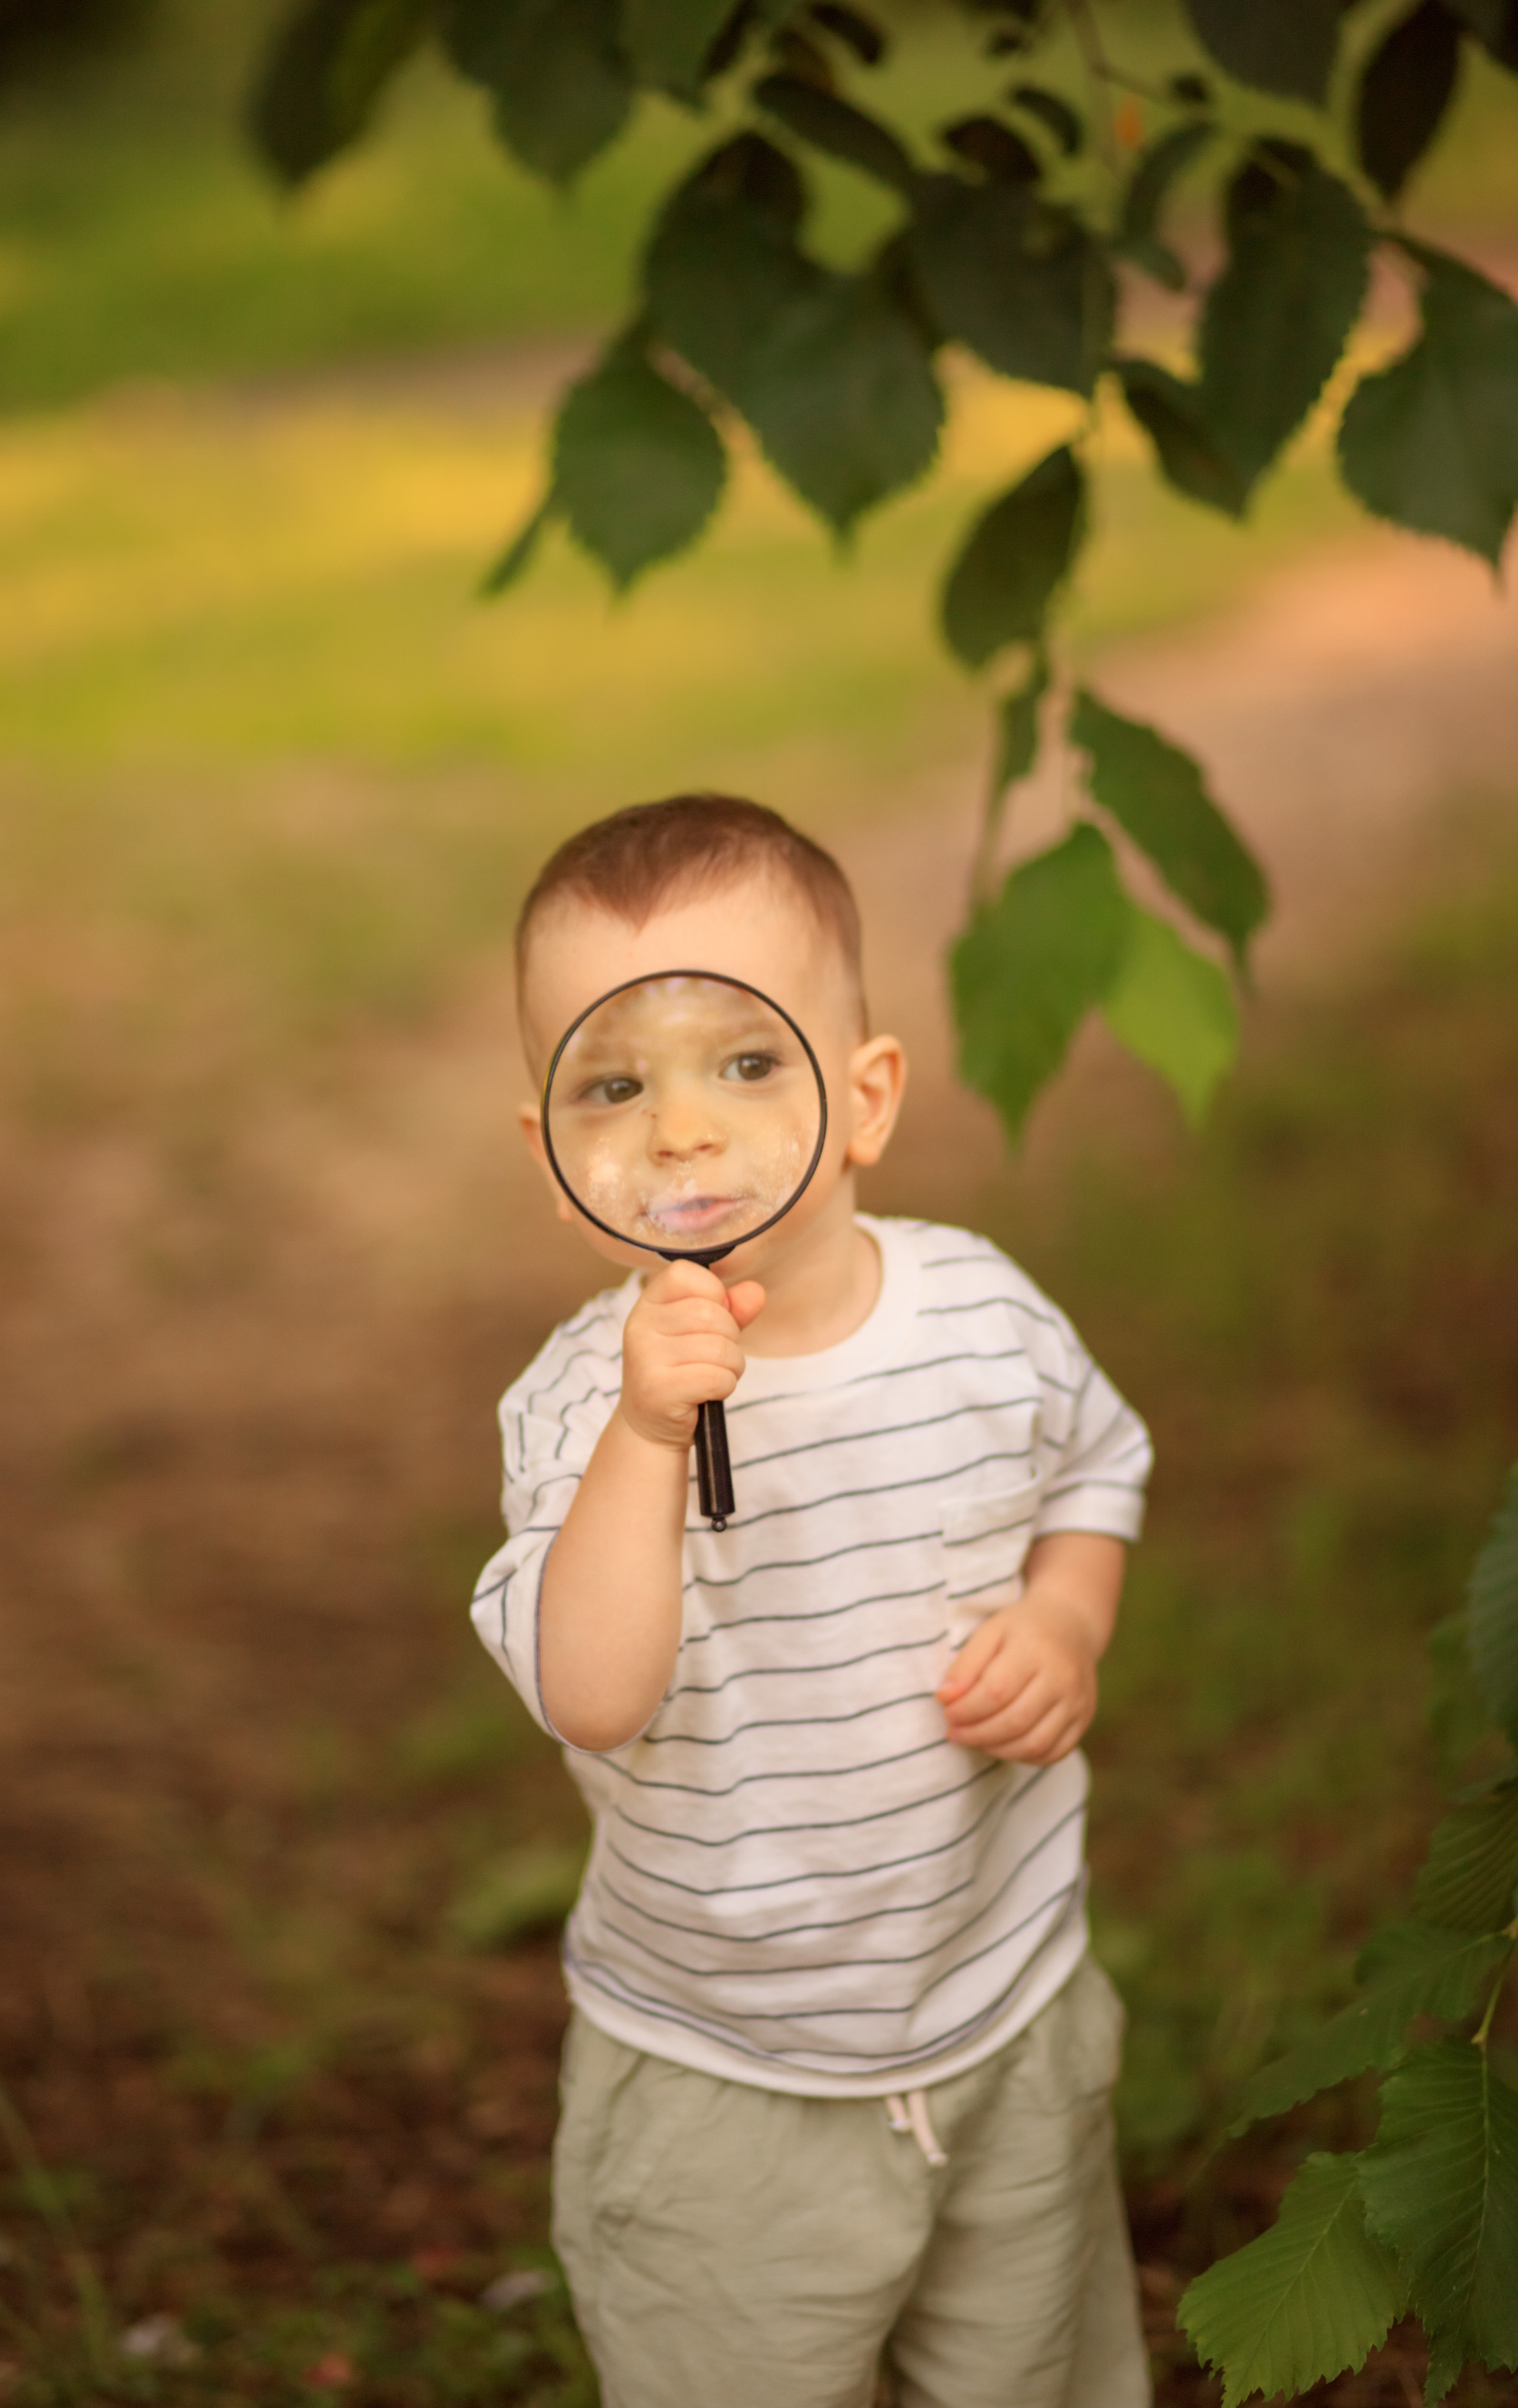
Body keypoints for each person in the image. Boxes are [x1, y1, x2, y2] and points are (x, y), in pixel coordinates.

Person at [473, 794, 1153, 2408]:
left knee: (1027, 2376)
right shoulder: (577, 1409)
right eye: (617, 1082)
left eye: (747, 1061)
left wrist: (1066, 1621)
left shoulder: (983, 1313)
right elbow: (593, 1691)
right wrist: (648, 1438)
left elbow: (1094, 1469)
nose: (686, 1128)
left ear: (865, 1098)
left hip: (1003, 2011)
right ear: (555, 1160)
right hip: (725, 2076)